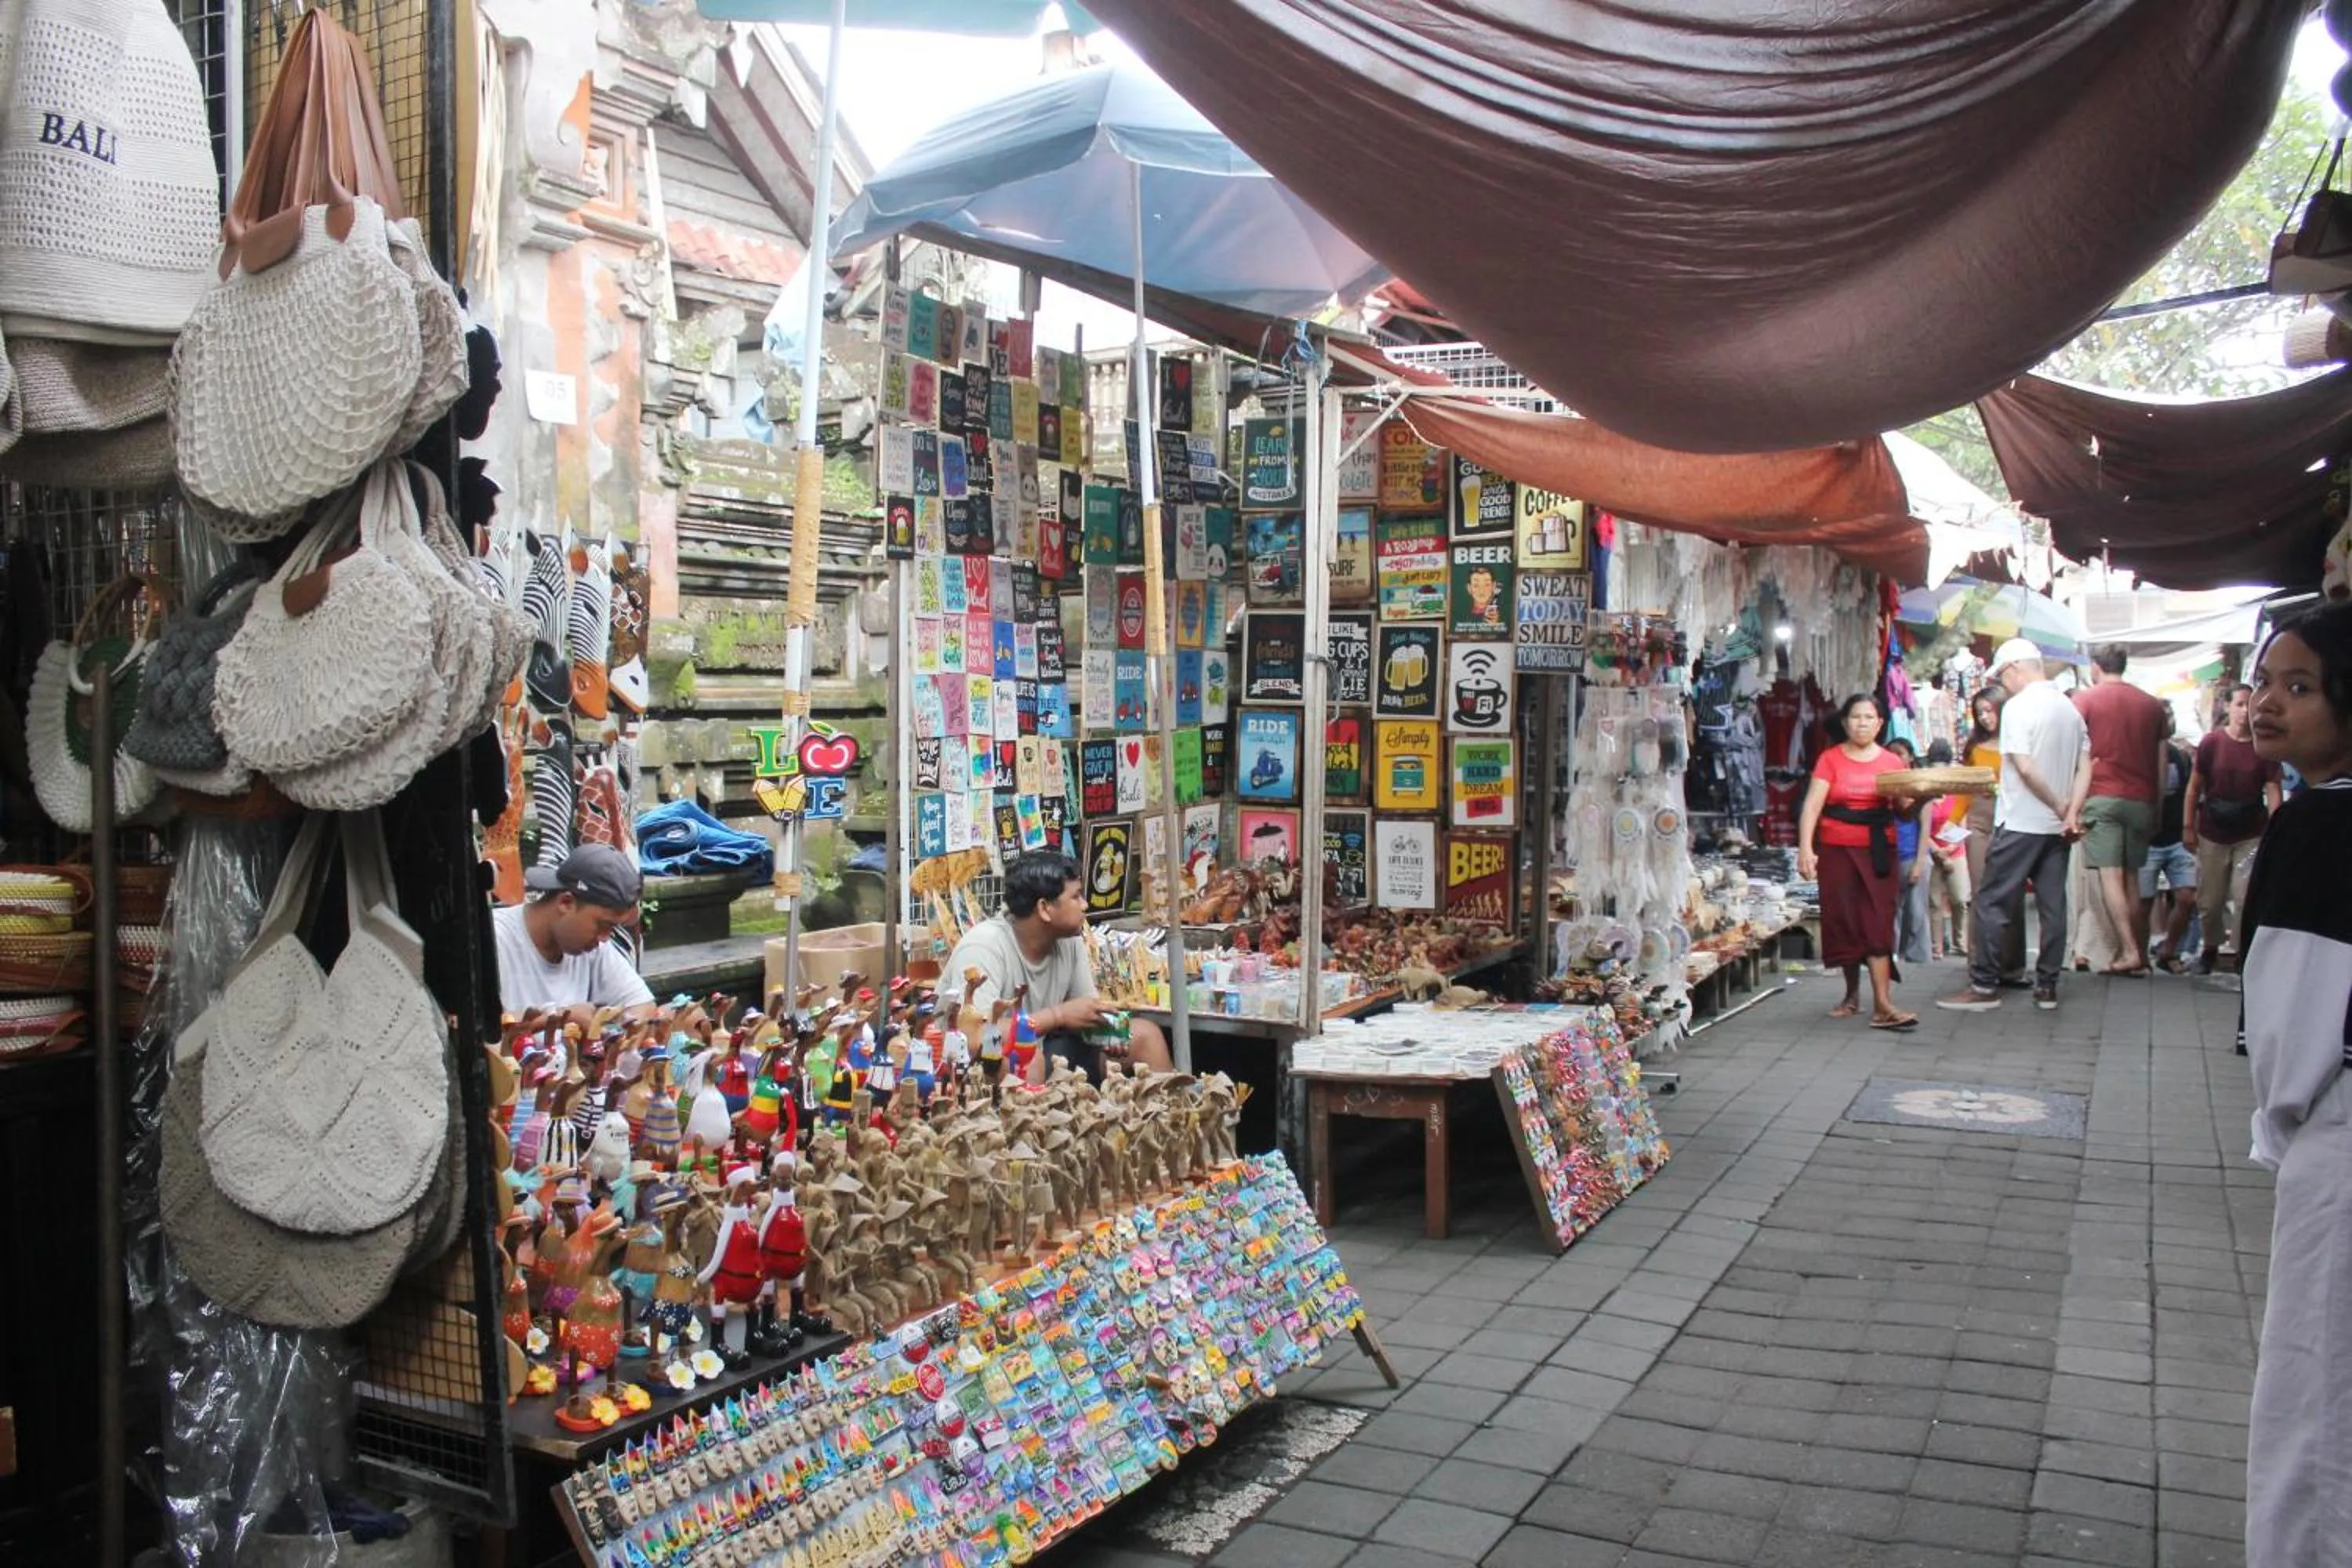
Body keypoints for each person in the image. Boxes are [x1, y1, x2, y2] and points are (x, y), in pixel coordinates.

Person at [2234, 604, 2352, 1567]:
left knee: (2317, 1403)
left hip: (2339, 1132)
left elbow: (2292, 1027)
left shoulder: (2320, 825)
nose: (2267, 703)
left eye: (2300, 686)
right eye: (2267, 680)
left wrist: (2279, 1132)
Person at [1938, 639, 2091, 1014]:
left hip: (2022, 820)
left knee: (1991, 900)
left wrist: (2059, 805)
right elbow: (2086, 764)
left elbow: (2023, 766)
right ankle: (2047, 986)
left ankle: (1984, 985)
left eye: (2002, 677)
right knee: (2053, 904)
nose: (2003, 686)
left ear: (2014, 669)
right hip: (2056, 827)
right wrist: (2071, 811)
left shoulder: (2020, 708)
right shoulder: (2069, 709)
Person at [942, 850, 1173, 1082]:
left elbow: (1084, 1014)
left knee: (1146, 1035)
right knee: (1028, 1058)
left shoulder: (1069, 940)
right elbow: (974, 1037)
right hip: (965, 1070)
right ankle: (1028, 1117)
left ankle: (1171, 1113)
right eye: (1076, 897)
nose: (1085, 905)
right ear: (1044, 908)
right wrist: (1058, 1015)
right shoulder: (984, 947)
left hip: (1048, 1048)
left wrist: (1107, 1033)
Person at [1795, 693, 1918, 1030]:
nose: (1862, 723)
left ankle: (1884, 1003)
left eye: (1869, 717)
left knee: (1878, 923)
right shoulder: (1830, 759)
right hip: (1837, 850)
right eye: (1855, 717)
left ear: (1880, 724)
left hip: (1879, 851)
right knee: (1845, 920)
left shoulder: (1893, 763)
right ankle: (1852, 995)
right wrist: (1806, 848)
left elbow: (1905, 809)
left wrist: (1923, 797)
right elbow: (1812, 806)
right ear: (1846, 722)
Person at [2071, 644, 2169, 976]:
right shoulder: (2150, 705)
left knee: (2111, 876)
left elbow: (2074, 749)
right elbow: (2162, 759)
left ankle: (2128, 951)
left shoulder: (2085, 700)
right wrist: (2157, 804)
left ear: (2095, 666)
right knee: (2130, 877)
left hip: (2102, 794)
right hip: (2142, 798)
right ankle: (2138, 951)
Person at [2183, 682, 2283, 975]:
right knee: (2210, 899)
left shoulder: (2263, 747)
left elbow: (2273, 789)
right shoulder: (2212, 743)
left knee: (2244, 895)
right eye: (2239, 704)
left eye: (2248, 705)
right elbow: (2194, 787)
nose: (2243, 711)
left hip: (2250, 833)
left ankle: (2242, 952)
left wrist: (2274, 828)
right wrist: (2188, 826)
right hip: (2213, 830)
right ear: (2227, 707)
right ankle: (2210, 947)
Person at [493, 844, 655, 1020]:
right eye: (603, 924)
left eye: (612, 928)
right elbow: (475, 1032)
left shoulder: (592, 945)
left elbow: (642, 1005)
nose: (604, 938)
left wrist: (615, 1029)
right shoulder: (494, 938)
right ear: (566, 902)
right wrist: (562, 1018)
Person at [1962, 686, 2027, 985]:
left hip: (2012, 819)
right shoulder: (1974, 747)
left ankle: (2012, 965)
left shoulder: (2019, 743)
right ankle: (1979, 960)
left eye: (1990, 711)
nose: (1985, 718)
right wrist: (1950, 823)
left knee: (2011, 892)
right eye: (1980, 713)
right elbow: (1965, 790)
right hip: (1979, 819)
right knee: (1980, 892)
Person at [2143, 714, 2199, 974]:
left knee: (2186, 896)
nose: (2168, 720)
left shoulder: (2181, 756)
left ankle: (2169, 949)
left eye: (2170, 715)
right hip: (2148, 840)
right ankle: (2140, 952)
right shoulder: (2140, 755)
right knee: (2143, 902)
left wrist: (2191, 828)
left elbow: (2191, 793)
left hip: (2177, 838)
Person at [1921, 740, 1973, 961]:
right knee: (1934, 902)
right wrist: (1936, 851)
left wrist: (1951, 848)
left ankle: (1961, 942)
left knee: (1961, 898)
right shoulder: (1925, 798)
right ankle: (1936, 946)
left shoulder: (1956, 795)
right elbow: (1921, 828)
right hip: (1932, 852)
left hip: (1956, 850)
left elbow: (1964, 823)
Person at [1886, 738, 1933, 967]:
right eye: (1891, 754)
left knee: (1916, 912)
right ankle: (1891, 953)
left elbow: (1925, 829)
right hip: (1891, 857)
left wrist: (1920, 863)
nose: (1896, 758)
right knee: (1891, 909)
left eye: (1900, 754)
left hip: (1914, 856)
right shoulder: (1886, 786)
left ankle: (1919, 958)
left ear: (1910, 758)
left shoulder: (1921, 787)